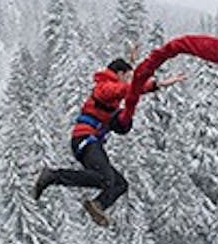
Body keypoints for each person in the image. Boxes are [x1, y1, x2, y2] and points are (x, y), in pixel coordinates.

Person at [32, 57, 186, 227]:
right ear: (119, 74)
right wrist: (157, 84)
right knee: (105, 179)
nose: (129, 80)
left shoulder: (111, 89)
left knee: (120, 184)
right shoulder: (103, 87)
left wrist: (132, 60)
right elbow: (125, 89)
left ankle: (98, 205)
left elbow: (122, 90)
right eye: (127, 76)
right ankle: (52, 176)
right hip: (85, 140)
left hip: (92, 141)